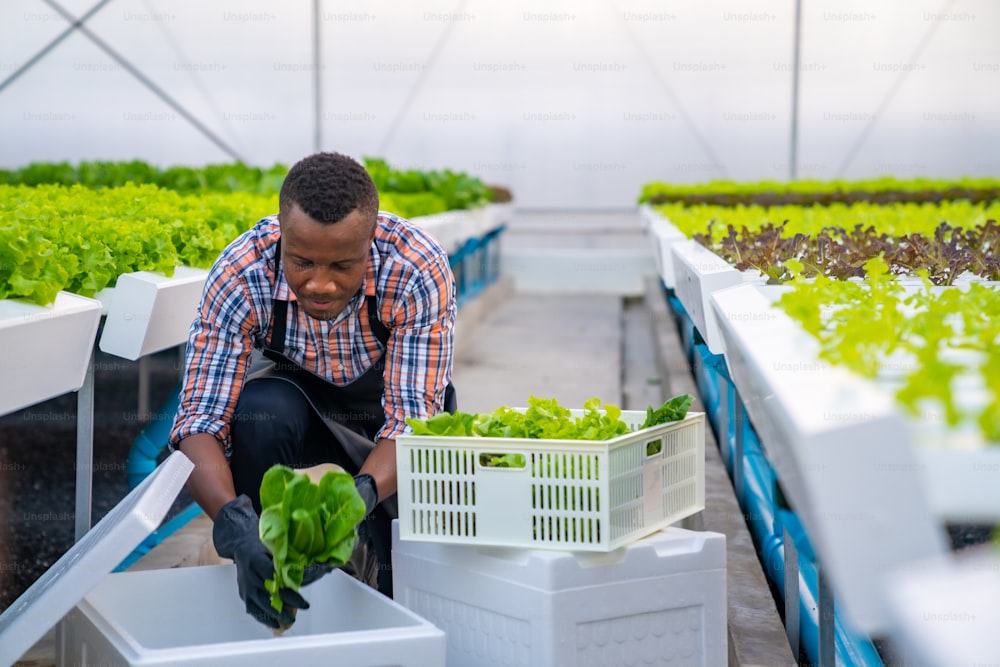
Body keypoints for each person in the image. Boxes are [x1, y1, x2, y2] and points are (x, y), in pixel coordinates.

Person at [168, 151, 457, 629]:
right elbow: (199, 420)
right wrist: (232, 524)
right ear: (281, 237)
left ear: (371, 242)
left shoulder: (414, 268)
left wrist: (359, 496)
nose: (320, 283)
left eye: (343, 265)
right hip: (302, 412)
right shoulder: (243, 272)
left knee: (401, 571)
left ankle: (376, 589)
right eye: (301, 261)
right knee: (260, 411)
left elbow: (412, 420)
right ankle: (268, 574)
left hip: (390, 425)